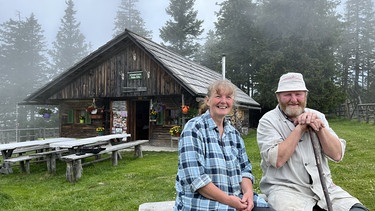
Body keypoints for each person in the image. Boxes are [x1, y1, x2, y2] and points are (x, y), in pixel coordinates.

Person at [256, 72, 368, 211]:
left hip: (324, 188)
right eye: (287, 94)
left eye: (298, 94)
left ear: (305, 96)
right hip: (286, 191)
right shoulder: (268, 121)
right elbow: (277, 159)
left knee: (358, 210)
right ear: (278, 97)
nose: (293, 99)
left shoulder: (318, 116)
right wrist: (301, 128)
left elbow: (337, 155)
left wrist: (319, 127)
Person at [174, 80, 275, 211]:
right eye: (218, 96)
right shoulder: (193, 129)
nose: (223, 101)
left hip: (236, 200)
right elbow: (196, 179)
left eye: (228, 97)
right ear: (208, 100)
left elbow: (245, 169)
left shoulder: (233, 133)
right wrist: (229, 201)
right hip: (203, 204)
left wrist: (248, 194)